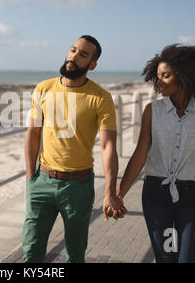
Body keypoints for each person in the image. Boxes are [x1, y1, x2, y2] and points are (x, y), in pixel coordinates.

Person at [23, 35, 126, 263]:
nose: (74, 56)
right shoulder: (43, 88)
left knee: (75, 254)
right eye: (73, 50)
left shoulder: (100, 97)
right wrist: (31, 176)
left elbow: (108, 146)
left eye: (83, 54)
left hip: (78, 187)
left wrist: (110, 191)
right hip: (42, 181)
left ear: (92, 65)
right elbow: (33, 134)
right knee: (31, 251)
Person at [117, 44, 195, 263]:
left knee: (187, 259)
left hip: (191, 199)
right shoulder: (152, 111)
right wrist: (119, 195)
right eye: (157, 76)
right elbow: (139, 155)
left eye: (166, 76)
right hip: (156, 197)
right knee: (166, 259)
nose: (158, 81)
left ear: (184, 76)